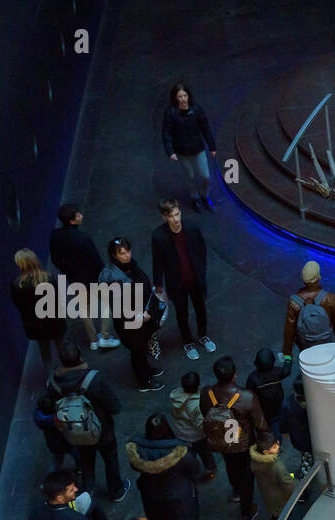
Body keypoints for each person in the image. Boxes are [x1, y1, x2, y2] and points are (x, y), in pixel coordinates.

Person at [45, 342, 132, 503]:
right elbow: (114, 406)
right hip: (102, 429)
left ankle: (87, 491)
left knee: (86, 460)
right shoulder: (94, 379)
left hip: (74, 431)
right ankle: (116, 490)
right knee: (110, 458)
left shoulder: (54, 384)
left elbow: (53, 407)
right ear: (80, 357)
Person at [200, 356, 268, 520]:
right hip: (243, 444)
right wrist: (266, 444)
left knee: (230, 465)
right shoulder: (246, 397)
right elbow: (260, 424)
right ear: (234, 375)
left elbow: (204, 413)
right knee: (246, 475)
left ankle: (236, 490)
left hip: (220, 441)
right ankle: (247, 512)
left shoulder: (206, 394)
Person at [126, 414, 203, 520]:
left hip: (151, 495)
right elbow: (197, 471)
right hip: (178, 498)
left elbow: (134, 466)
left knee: (163, 519)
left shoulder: (137, 451)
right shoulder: (181, 453)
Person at [49, 205, 119, 351]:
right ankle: (104, 337)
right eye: (78, 214)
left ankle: (93, 340)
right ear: (72, 220)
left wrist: (67, 270)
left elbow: (55, 259)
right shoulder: (83, 238)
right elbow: (97, 261)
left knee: (84, 310)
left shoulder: (55, 236)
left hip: (74, 280)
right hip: (93, 279)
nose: (81, 215)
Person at [151, 198, 214, 360]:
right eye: (171, 216)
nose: (176, 219)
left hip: (195, 279)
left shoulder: (192, 227)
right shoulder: (159, 236)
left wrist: (201, 270)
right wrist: (158, 283)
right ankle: (187, 342)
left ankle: (203, 336)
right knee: (182, 313)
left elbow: (202, 250)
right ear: (165, 217)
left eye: (177, 214)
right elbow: (157, 261)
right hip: (177, 284)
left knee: (201, 308)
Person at [98, 237, 163, 392]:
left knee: (140, 347)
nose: (127, 255)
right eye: (122, 253)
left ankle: (146, 369)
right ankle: (143, 380)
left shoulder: (128, 266)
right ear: (114, 255)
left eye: (128, 251)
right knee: (137, 350)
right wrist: (139, 316)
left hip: (141, 315)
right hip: (129, 322)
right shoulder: (111, 276)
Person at [161, 83, 217, 212]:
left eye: (185, 95)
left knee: (205, 176)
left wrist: (212, 146)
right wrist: (170, 151)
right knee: (190, 176)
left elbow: (205, 128)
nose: (183, 99)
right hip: (182, 151)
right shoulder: (171, 113)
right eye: (180, 96)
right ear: (175, 98)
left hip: (198, 149)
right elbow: (166, 132)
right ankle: (195, 198)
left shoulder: (196, 109)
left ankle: (204, 196)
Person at [9, 249, 67, 369]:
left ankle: (51, 377)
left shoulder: (17, 285)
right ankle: (69, 368)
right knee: (61, 345)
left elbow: (18, 305)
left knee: (44, 350)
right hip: (54, 319)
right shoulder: (48, 278)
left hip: (35, 324)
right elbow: (59, 298)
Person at [282, 261, 335, 359]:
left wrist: (287, 353)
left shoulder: (294, 302)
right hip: (327, 342)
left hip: (306, 344)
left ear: (303, 279)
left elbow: (289, 330)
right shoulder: (331, 298)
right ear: (319, 277)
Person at [169, 370, 216, 479]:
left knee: (189, 453)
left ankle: (190, 469)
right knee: (205, 452)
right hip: (196, 436)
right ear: (198, 385)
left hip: (181, 432)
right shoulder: (195, 405)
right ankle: (209, 469)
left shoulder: (176, 395)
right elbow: (200, 424)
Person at [249, 432, 296, 520]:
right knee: (284, 519)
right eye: (274, 447)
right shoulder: (277, 466)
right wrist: (295, 481)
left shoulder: (255, 460)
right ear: (265, 452)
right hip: (280, 497)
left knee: (275, 514)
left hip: (267, 494)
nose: (278, 446)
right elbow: (288, 485)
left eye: (277, 443)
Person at [246, 348, 292, 432]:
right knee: (280, 416)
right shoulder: (277, 372)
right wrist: (288, 358)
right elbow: (287, 371)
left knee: (269, 420)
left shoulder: (253, 378)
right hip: (278, 402)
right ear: (273, 362)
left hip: (263, 406)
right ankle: (283, 430)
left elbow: (248, 393)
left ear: (256, 363)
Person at [33, 393, 79, 472]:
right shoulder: (55, 419)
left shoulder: (38, 416)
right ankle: (80, 469)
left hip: (53, 443)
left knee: (57, 458)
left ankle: (52, 474)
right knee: (77, 455)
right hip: (66, 441)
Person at [278, 379, 314, 477]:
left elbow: (283, 422)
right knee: (308, 461)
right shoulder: (315, 402)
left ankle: (304, 477)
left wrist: (284, 431)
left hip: (299, 440)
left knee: (307, 458)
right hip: (312, 440)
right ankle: (303, 482)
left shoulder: (287, 402)